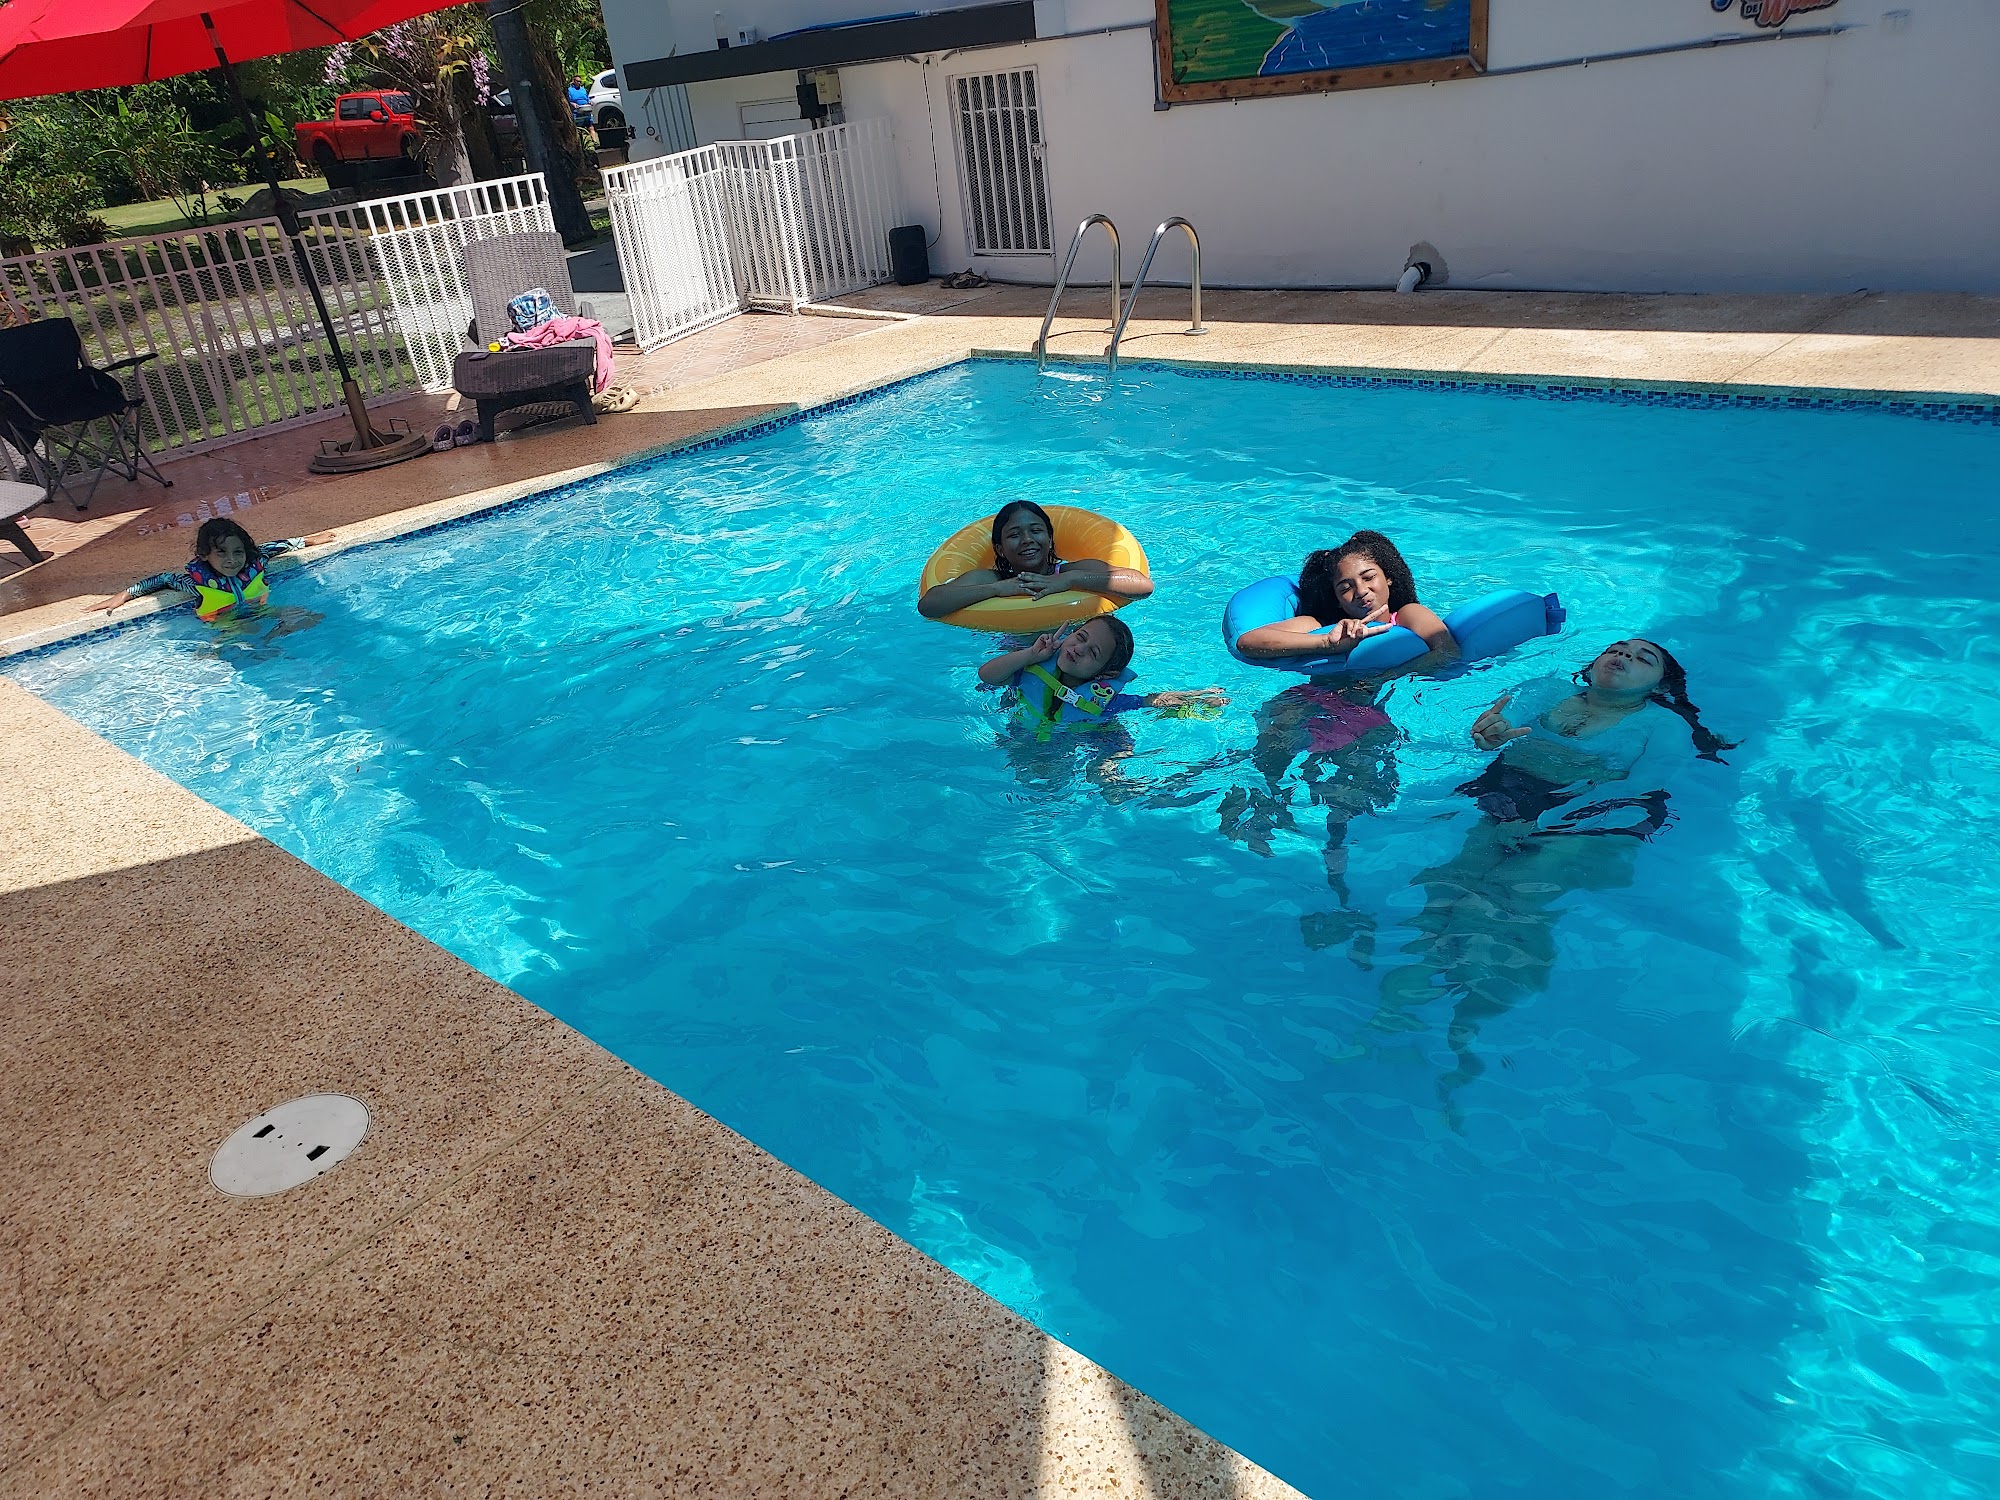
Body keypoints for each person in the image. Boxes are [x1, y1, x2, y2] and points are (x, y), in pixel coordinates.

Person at [1460, 637, 1735, 837]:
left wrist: (1551, 821)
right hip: (1508, 787)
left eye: (1643, 659)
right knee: (1456, 878)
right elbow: (1509, 718)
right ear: (1593, 667)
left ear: (1661, 686)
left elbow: (1642, 786)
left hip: (1601, 813)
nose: (1623, 655)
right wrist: (1493, 731)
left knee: (1517, 891)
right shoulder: (1548, 690)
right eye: (1614, 650)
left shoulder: (1666, 726)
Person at [977, 615, 1223, 738]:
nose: (1079, 649)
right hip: (1016, 735)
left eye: (1093, 653)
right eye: (1080, 637)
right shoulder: (1031, 671)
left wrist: (1196, 698)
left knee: (1110, 750)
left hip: (1067, 747)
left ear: (1106, 674)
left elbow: (1148, 701)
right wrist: (1030, 654)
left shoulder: (1104, 701)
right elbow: (987, 675)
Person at [1233, 529, 1454, 660]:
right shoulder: (1323, 626)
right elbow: (1247, 642)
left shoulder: (1408, 615)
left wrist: (1387, 674)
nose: (1361, 591)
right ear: (1337, 599)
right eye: (1345, 588)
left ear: (1388, 577)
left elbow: (1448, 654)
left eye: (1369, 577)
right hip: (1317, 700)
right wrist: (1326, 643)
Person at [918, 500, 1153, 620]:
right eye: (1014, 535)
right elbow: (929, 605)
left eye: (1036, 531)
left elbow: (1142, 585)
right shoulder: (990, 580)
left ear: (1050, 540)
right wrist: (996, 590)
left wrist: (1071, 580)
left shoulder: (1070, 572)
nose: (1027, 540)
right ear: (1000, 549)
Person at [85, 518, 335, 620]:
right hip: (226, 626)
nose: (232, 560)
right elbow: (163, 579)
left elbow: (274, 547)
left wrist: (310, 540)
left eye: (238, 552)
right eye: (222, 553)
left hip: (261, 611)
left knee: (308, 617)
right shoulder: (197, 584)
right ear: (205, 555)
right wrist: (124, 595)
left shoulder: (253, 563)